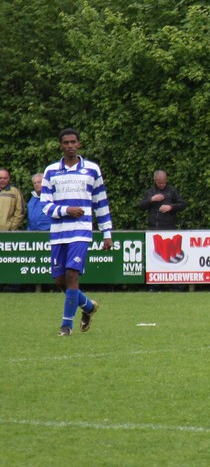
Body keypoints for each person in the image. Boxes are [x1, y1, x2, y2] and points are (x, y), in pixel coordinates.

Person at [41, 129, 113, 336]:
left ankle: (66, 326)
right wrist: (67, 210)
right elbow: (45, 205)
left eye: (73, 142)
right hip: (59, 232)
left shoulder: (91, 169)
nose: (70, 145)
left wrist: (106, 232)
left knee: (72, 274)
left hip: (81, 231)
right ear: (61, 145)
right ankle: (88, 306)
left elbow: (101, 202)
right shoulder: (51, 171)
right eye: (66, 142)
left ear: (79, 144)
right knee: (60, 280)